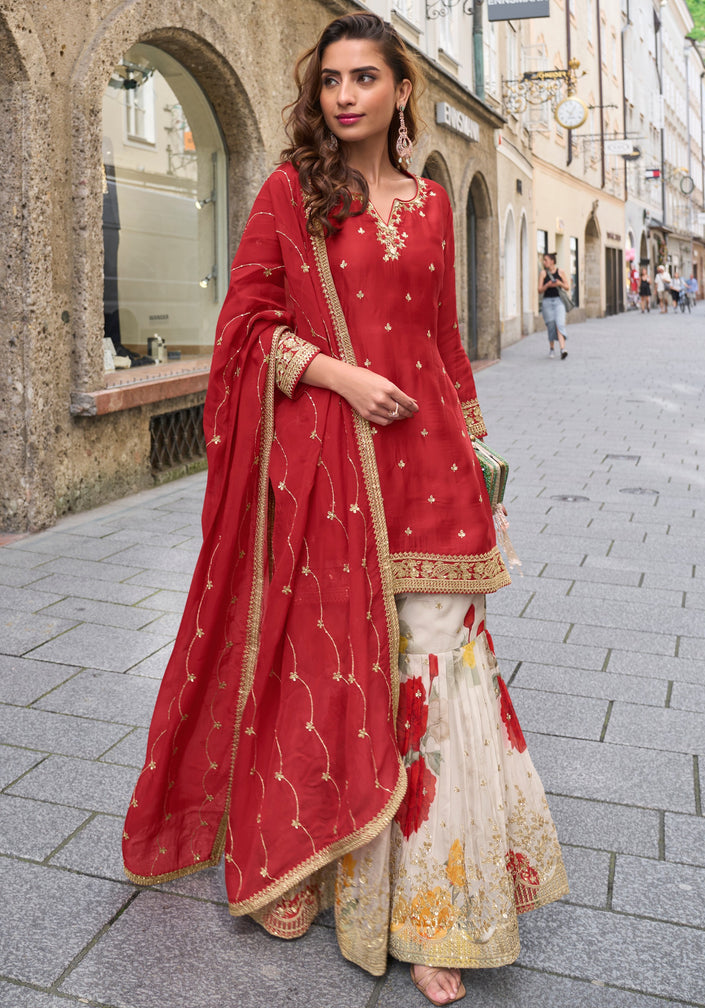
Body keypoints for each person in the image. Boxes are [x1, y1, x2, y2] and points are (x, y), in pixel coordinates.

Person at [122, 13, 567, 1007]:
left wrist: (480, 447)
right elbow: (244, 329)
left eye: (367, 77)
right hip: (332, 475)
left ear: (402, 89)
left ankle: (439, 912)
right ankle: (312, 863)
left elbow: (445, 346)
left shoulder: (436, 203)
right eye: (332, 80)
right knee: (331, 670)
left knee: (435, 690)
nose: (348, 95)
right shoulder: (292, 195)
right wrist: (336, 375)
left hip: (434, 471)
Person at [538, 252, 570, 359]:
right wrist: (547, 285)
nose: (544, 262)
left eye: (546, 260)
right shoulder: (543, 273)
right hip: (547, 302)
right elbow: (539, 290)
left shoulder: (560, 272)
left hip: (558, 301)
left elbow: (567, 287)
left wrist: (559, 283)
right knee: (551, 325)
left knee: (559, 323)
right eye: (544, 260)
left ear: (552, 261)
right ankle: (552, 349)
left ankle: (563, 349)